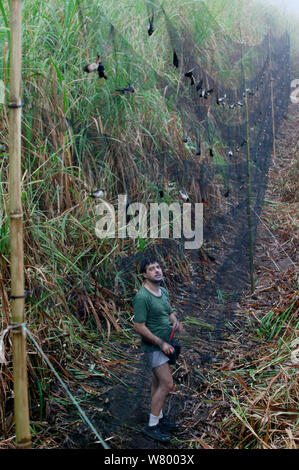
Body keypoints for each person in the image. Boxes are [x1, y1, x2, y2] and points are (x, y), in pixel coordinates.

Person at [133, 256, 182, 442]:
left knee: (157, 383)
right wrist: (161, 343)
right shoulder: (142, 297)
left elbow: (169, 312)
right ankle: (151, 426)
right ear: (144, 275)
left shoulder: (162, 291)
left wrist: (175, 321)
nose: (157, 271)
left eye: (158, 267)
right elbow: (139, 326)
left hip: (166, 344)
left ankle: (159, 418)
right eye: (152, 269)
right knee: (167, 383)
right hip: (154, 347)